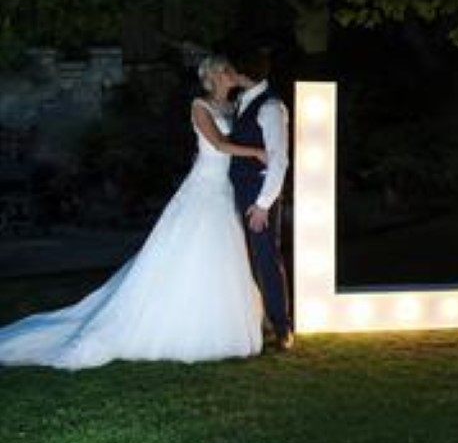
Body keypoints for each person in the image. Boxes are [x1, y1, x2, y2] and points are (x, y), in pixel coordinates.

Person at [0, 56, 266, 369]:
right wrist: (257, 152)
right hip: (204, 190)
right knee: (195, 251)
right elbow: (219, 145)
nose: (230, 73)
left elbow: (255, 101)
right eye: (224, 70)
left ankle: (221, 322)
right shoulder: (200, 106)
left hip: (223, 190)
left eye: (229, 69)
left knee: (222, 254)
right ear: (211, 77)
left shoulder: (231, 107)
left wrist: (248, 83)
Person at [226, 47, 294, 351]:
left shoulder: (271, 107)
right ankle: (259, 318)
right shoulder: (243, 100)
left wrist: (264, 204)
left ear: (243, 73)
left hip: (258, 194)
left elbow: (278, 160)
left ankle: (282, 326)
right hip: (239, 190)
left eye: (232, 69)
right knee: (247, 258)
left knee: (266, 257)